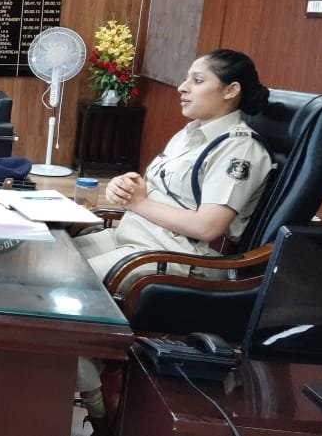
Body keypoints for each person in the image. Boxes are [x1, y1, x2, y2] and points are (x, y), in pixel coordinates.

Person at [72, 49, 274, 434]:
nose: (182, 87)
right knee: (53, 264)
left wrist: (140, 203)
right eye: (186, 78)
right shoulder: (190, 133)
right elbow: (159, 192)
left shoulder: (239, 148)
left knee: (69, 294)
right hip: (134, 237)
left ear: (230, 90)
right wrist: (126, 187)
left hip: (179, 257)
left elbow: (209, 227)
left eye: (197, 80)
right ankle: (74, 375)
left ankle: (100, 410)